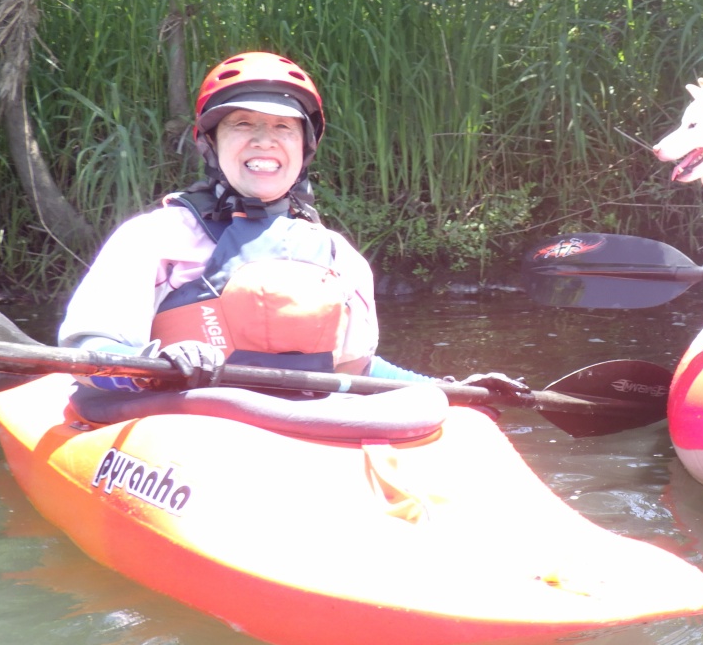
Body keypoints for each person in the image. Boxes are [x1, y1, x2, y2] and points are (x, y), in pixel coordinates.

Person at [60, 51, 432, 391]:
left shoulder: (339, 257)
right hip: (179, 423)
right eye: (242, 124)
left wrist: (443, 388)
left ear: (304, 147)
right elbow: (87, 351)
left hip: (301, 427)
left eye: (283, 127)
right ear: (210, 143)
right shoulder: (155, 239)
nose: (264, 141)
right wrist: (153, 363)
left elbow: (356, 370)